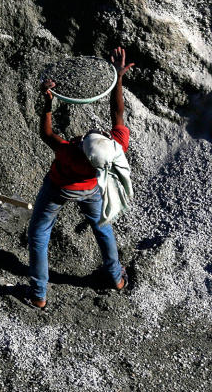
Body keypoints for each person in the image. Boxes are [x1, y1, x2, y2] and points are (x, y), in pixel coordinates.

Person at [27, 46, 135, 309]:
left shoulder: (71, 155)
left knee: (39, 234)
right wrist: (118, 79)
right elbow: (118, 113)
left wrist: (48, 102)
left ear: (82, 148)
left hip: (60, 188)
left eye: (87, 138)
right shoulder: (114, 148)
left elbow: (47, 134)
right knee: (102, 227)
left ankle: (39, 295)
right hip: (92, 189)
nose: (92, 132)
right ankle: (116, 277)